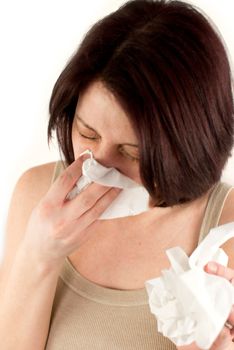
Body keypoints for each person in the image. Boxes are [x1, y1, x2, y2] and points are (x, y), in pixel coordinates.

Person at [1, 0, 234, 349]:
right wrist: (40, 254)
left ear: (189, 148)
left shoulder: (224, 228)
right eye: (87, 132)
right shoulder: (37, 196)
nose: (98, 162)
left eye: (131, 152)